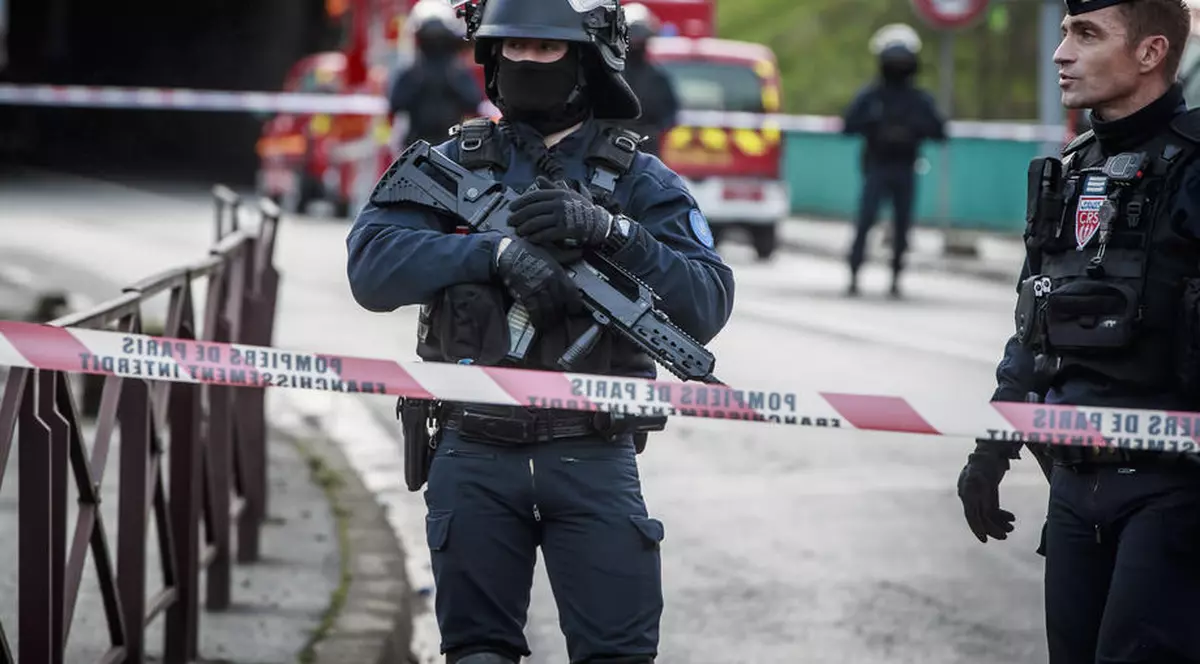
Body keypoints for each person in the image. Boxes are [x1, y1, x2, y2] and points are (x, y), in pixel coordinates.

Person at [345, 0, 736, 661]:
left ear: (586, 61)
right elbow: (371, 268)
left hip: (592, 451)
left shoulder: (640, 180)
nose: (526, 62)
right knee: (477, 652)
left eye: (545, 49)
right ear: (492, 61)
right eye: (514, 48)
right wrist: (489, 254)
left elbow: (706, 301)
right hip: (472, 448)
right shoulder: (453, 166)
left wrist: (613, 233)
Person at [956, 0, 1200, 661]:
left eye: (1085, 34)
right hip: (1074, 488)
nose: (1061, 52)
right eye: (1064, 31)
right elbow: (1034, 323)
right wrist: (993, 448)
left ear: (1150, 53)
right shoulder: (1075, 164)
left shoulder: (1195, 168)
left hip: (1172, 488)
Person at [840, 24, 946, 298]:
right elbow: (848, 125)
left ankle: (896, 277)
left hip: (904, 167)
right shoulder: (872, 96)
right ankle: (854, 273)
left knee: (902, 226)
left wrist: (911, 130)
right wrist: (875, 126)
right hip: (877, 166)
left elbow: (939, 131)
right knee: (865, 221)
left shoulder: (918, 99)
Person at [386, 0, 484, 151]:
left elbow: (473, 101)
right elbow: (395, 103)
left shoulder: (455, 72)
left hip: (450, 147)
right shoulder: (414, 72)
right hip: (417, 146)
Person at [619, 3, 680, 157]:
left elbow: (671, 112)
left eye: (641, 37)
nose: (637, 42)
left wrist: (654, 130)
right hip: (613, 143)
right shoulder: (612, 73)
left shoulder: (658, 77)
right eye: (633, 36)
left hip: (647, 147)